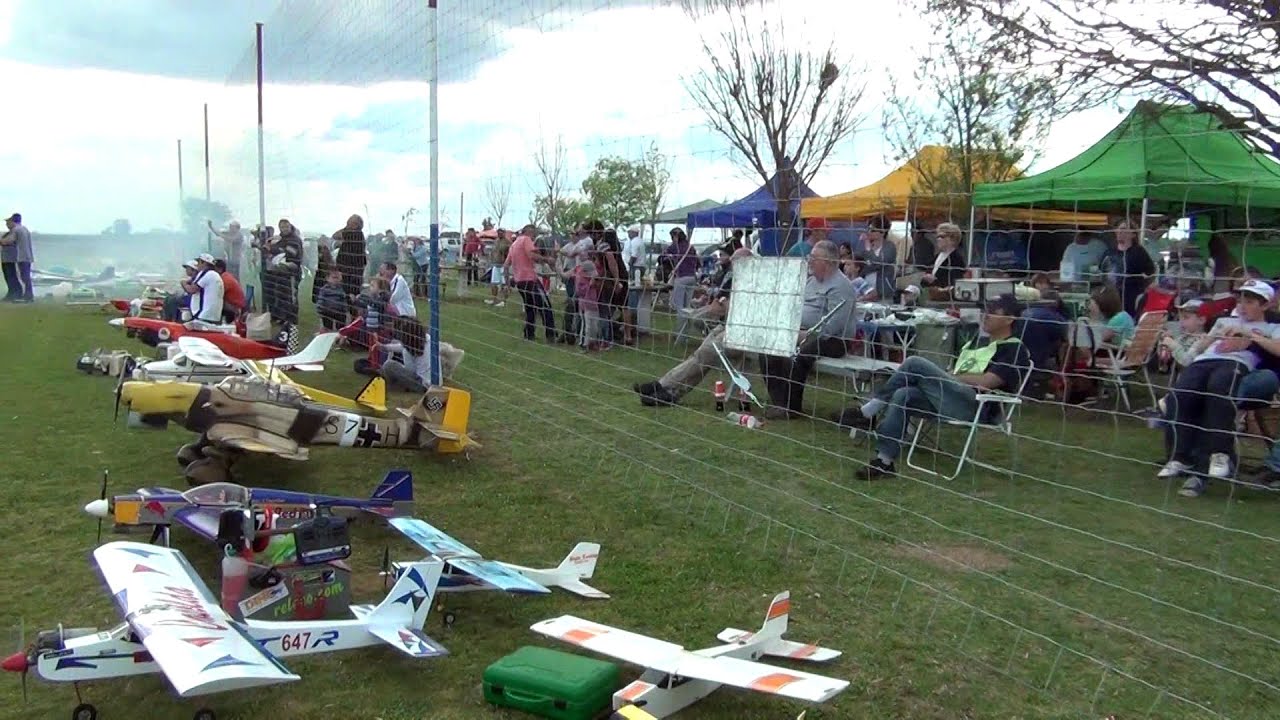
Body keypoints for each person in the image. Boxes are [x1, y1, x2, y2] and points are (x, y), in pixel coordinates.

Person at [840, 293, 1032, 480]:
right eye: (986, 310)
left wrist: (951, 378)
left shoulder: (1014, 349)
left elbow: (987, 383)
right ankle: (884, 462)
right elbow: (955, 371)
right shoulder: (977, 343)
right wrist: (948, 377)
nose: (986, 315)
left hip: (976, 406)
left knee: (914, 363)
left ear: (1009, 319)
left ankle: (867, 413)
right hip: (949, 398)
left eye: (993, 311)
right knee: (903, 394)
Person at [1158, 279, 1280, 496]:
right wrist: (1215, 335)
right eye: (1241, 300)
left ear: (1265, 304)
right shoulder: (1225, 321)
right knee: (1184, 393)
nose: (1243, 305)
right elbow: (1195, 352)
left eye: (1250, 301)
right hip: (1207, 364)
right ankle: (1182, 457)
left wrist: (1252, 338)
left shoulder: (1272, 327)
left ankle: (1212, 461)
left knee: (1217, 393)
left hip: (1239, 370)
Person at [632, 248, 754, 406]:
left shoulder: (754, 283)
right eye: (733, 263)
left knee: (706, 352)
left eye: (738, 263)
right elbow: (717, 306)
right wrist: (725, 305)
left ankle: (667, 388)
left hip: (745, 332)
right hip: (727, 325)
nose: (734, 266)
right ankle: (666, 388)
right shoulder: (733, 280)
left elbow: (723, 307)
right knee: (699, 355)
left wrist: (725, 305)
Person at [758, 240, 859, 419]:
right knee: (768, 349)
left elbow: (834, 325)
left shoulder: (842, 287)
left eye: (813, 258)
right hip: (802, 332)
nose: (809, 261)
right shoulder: (811, 281)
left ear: (828, 262)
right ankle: (780, 402)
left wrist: (806, 335)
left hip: (833, 340)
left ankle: (792, 408)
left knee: (800, 355)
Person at [505, 224, 557, 342]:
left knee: (530, 308)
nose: (534, 237)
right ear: (529, 232)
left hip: (519, 281)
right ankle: (551, 334)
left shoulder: (513, 245)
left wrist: (508, 283)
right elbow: (531, 255)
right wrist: (547, 259)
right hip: (530, 279)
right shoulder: (526, 239)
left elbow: (506, 265)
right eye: (534, 233)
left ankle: (529, 334)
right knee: (545, 306)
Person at [1100, 218, 1155, 318]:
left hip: (1131, 298)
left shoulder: (1138, 252)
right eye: (1119, 229)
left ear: (1133, 234)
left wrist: (1143, 289)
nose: (1120, 232)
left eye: (1124, 229)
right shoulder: (1109, 253)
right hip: (1111, 298)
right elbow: (1102, 272)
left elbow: (1151, 272)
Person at [662, 227, 699, 340]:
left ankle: (680, 336)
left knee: (679, 308)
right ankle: (686, 334)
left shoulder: (675, 247)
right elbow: (698, 263)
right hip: (692, 277)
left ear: (675, 236)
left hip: (681, 277)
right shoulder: (690, 247)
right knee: (687, 307)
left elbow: (663, 257)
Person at [334, 214, 367, 319]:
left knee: (350, 295)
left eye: (351, 223)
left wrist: (346, 228)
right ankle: (353, 319)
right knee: (349, 295)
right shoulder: (357, 235)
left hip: (351, 271)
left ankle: (354, 320)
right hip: (349, 269)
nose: (348, 225)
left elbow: (335, 235)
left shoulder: (354, 234)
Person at [860, 216, 897, 303]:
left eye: (872, 230)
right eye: (868, 229)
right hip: (867, 293)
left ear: (882, 232)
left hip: (883, 294)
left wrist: (868, 250)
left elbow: (879, 263)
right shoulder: (866, 247)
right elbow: (861, 267)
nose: (869, 232)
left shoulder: (890, 247)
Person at [920, 222, 966, 289]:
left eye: (942, 236)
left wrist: (934, 281)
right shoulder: (936, 257)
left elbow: (955, 282)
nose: (938, 239)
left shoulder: (957, 259)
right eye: (937, 236)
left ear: (952, 239)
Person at [1, 213, 33, 303]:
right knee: (25, 276)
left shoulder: (16, 230)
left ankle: (28, 296)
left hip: (22, 256)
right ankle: (27, 295)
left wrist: (2, 241)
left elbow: (9, 241)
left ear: (13, 221)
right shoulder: (24, 229)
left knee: (25, 276)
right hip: (27, 255)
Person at [184, 253, 225, 324]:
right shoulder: (214, 275)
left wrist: (183, 283)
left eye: (198, 262)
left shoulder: (206, 273)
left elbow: (191, 290)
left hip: (204, 315)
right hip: (214, 316)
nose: (197, 265)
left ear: (204, 263)